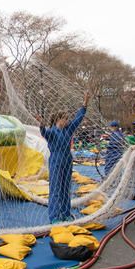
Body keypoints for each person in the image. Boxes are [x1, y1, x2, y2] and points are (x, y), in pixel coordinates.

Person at [37, 91, 90, 223]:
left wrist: (84, 104)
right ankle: (54, 217)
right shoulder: (52, 132)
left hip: (67, 161)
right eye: (65, 119)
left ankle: (65, 213)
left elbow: (78, 119)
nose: (67, 121)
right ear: (58, 120)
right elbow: (45, 133)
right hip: (56, 161)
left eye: (67, 119)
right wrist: (41, 125)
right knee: (55, 189)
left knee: (66, 189)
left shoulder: (68, 130)